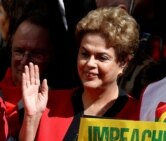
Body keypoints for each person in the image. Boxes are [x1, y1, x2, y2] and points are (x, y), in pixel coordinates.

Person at [19, 7, 140, 141]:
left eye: (102, 57)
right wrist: (31, 119)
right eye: (85, 54)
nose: (90, 63)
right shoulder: (47, 105)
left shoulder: (138, 114)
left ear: (123, 62)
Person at [0, 9, 66, 139]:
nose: (24, 61)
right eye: (19, 51)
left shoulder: (60, 109)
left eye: (36, 54)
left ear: (52, 56)